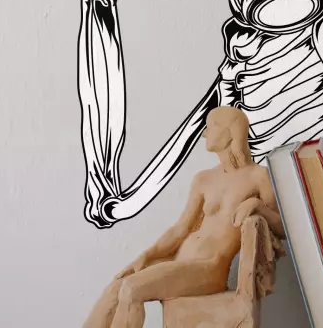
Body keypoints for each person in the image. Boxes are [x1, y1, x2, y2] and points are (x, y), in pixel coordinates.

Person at [82, 107, 285, 328]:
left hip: (209, 267)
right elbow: (180, 229)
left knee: (132, 289)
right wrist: (146, 256)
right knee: (115, 287)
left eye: (212, 126)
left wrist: (258, 206)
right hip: (179, 260)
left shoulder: (258, 177)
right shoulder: (204, 179)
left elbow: (283, 229)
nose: (205, 132)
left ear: (231, 132)